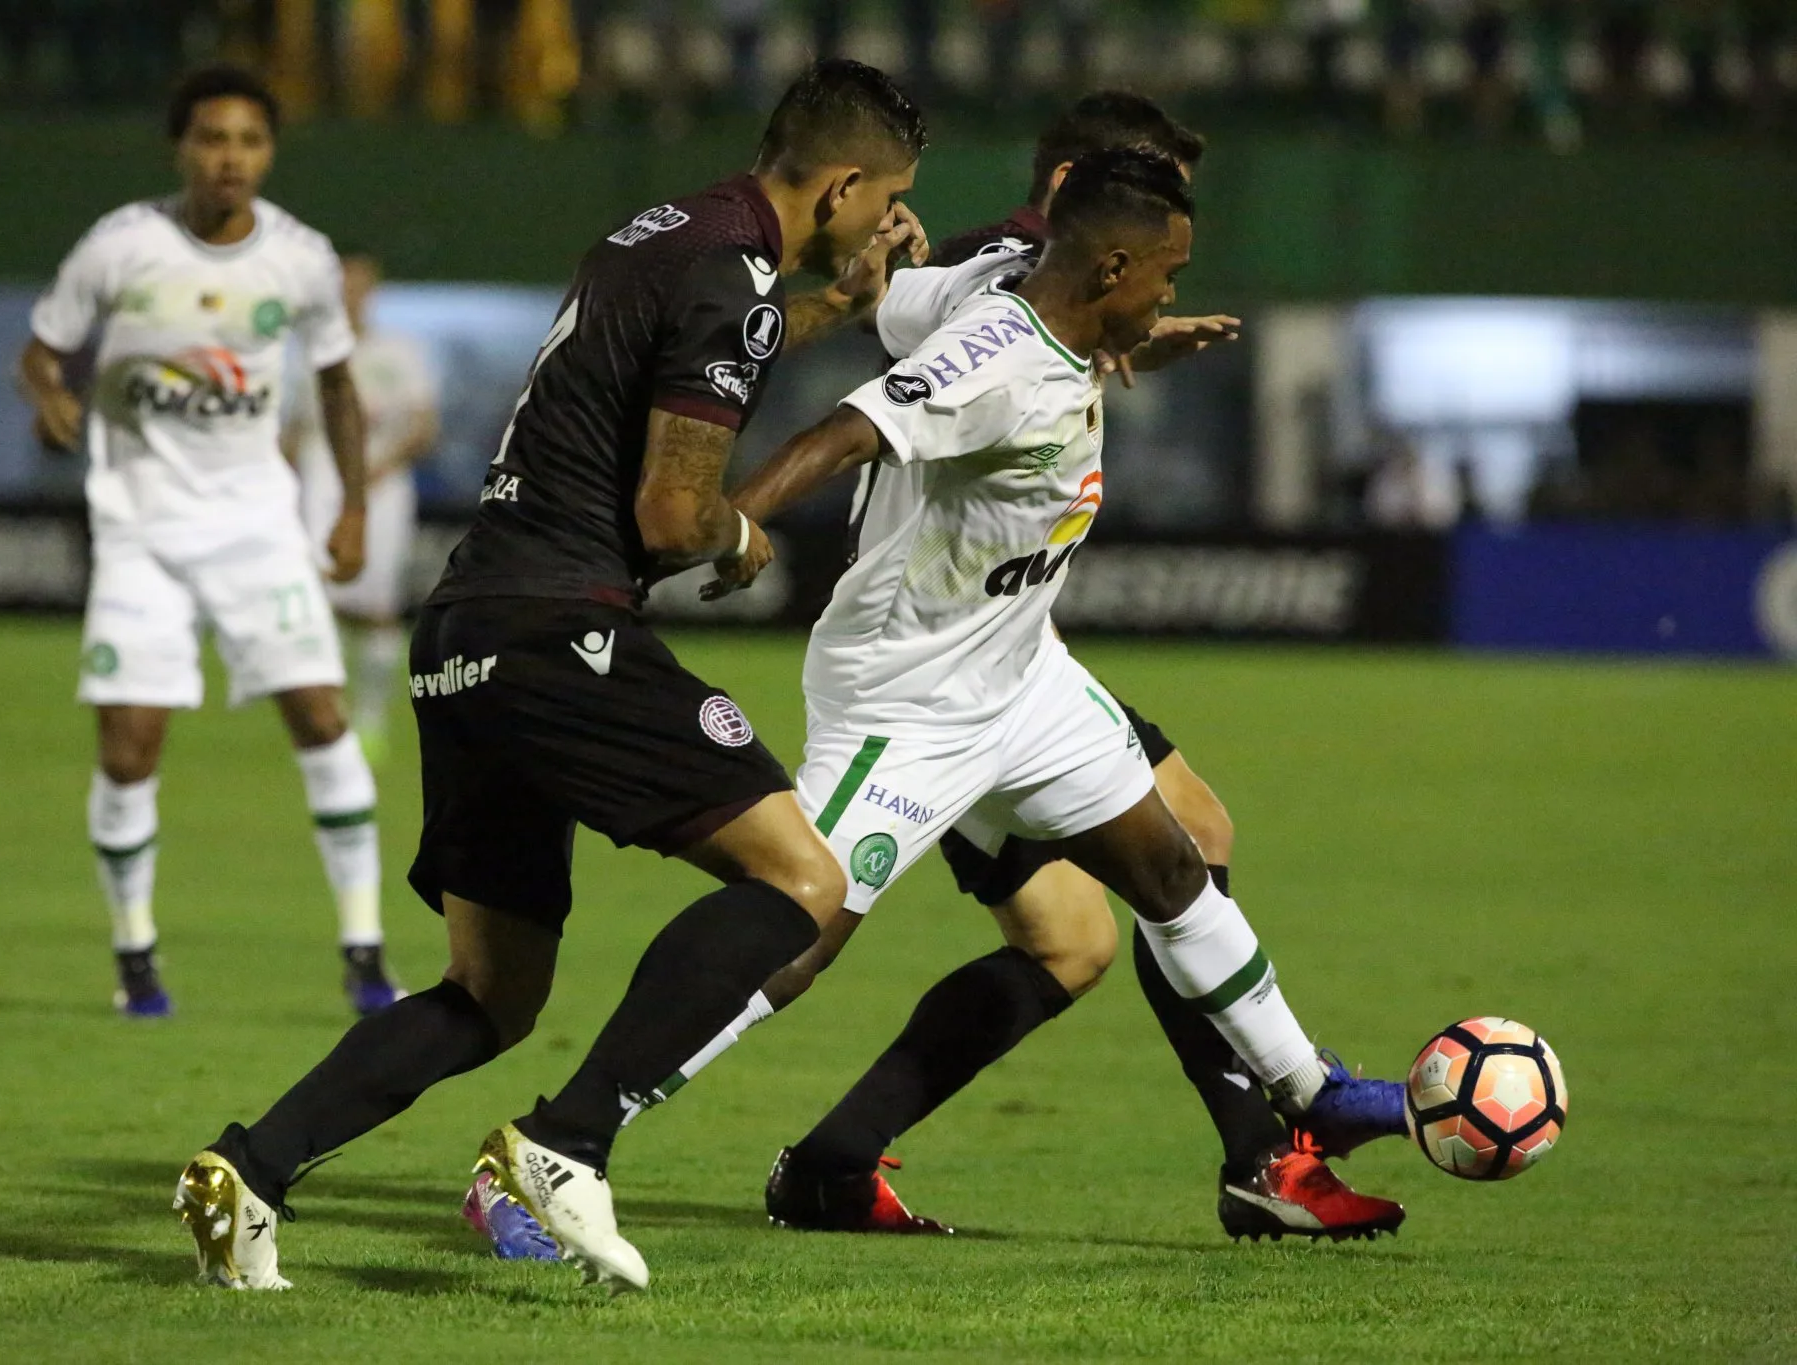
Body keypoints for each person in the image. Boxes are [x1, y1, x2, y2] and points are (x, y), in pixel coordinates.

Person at [562, 90, 1404, 1248]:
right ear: (1099, 243)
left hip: (1021, 676)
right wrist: (724, 530)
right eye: (1161, 264)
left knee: (1168, 866)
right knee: (798, 923)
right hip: (908, 695)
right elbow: (850, 427)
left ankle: (1302, 1099)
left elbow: (923, 308)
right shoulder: (992, 331)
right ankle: (569, 1134)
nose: (1172, 284)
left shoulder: (1048, 310)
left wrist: (1131, 334)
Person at [173, 58, 932, 1295]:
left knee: (493, 988)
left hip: (466, 626)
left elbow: (705, 338)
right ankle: (564, 1145)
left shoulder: (665, 231)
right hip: (557, 630)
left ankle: (247, 1170)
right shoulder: (730, 275)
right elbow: (676, 509)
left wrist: (833, 309)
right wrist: (744, 539)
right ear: (845, 186)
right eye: (885, 199)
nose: (883, 222)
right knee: (800, 877)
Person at [16, 66, 404, 1021]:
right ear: (181, 148)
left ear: (269, 153)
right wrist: (51, 394)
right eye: (212, 139)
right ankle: (136, 957)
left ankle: (365, 951)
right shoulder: (121, 246)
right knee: (130, 745)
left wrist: (351, 508)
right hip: (141, 530)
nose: (230, 158)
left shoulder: (301, 260)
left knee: (321, 717)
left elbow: (341, 387)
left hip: (256, 528)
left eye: (249, 141)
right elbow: (41, 348)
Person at [286, 249, 439, 760]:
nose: (352, 292)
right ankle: (324, 717)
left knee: (376, 606)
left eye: (360, 283)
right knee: (317, 601)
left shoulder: (399, 352)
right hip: (322, 483)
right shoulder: (310, 354)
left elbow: (423, 425)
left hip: (383, 487)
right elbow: (292, 430)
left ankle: (371, 718)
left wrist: (383, 466)